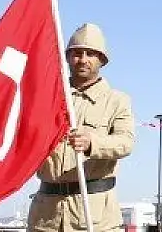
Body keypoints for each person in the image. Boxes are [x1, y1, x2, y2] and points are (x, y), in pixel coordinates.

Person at [28, 23, 136, 232]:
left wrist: (92, 143)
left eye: (90, 54)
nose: (83, 59)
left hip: (93, 217)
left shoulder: (117, 101)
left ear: (102, 60)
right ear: (67, 57)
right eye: (77, 53)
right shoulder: (46, 98)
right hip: (46, 217)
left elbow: (126, 142)